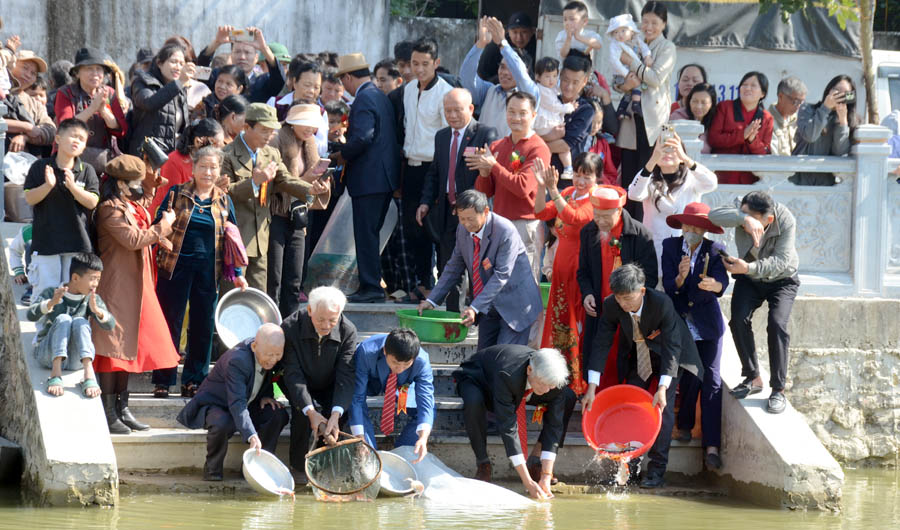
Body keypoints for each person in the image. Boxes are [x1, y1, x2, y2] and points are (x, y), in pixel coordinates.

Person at [581, 263, 703, 488]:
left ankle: (656, 471)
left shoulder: (661, 303)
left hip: (670, 355)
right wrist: (591, 386)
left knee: (661, 409)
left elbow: (672, 347)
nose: (623, 303)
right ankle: (629, 468)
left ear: (642, 291)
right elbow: (601, 343)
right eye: (618, 298)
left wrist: (663, 388)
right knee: (631, 406)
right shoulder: (611, 305)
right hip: (640, 357)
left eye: (628, 298)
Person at [92, 155, 181, 434]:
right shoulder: (108, 209)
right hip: (117, 286)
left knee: (129, 346)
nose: (140, 187)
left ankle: (123, 408)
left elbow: (143, 209)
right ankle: (108, 413)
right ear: (121, 184)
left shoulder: (126, 204)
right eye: (136, 183)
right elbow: (133, 239)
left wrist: (154, 187)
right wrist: (163, 228)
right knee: (113, 350)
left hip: (137, 283)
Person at [152, 146, 249, 399]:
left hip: (209, 270)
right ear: (193, 169)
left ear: (219, 170)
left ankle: (194, 380)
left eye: (213, 167)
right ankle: (163, 378)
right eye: (203, 166)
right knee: (169, 323)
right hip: (175, 268)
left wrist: (238, 272)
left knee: (203, 325)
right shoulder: (176, 194)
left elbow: (233, 238)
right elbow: (156, 228)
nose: (208, 172)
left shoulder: (224, 200)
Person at [709, 191, 799, 415]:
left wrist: (748, 268)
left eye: (751, 216)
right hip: (749, 277)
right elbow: (713, 215)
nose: (743, 216)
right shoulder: (743, 211)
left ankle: (778, 390)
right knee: (738, 319)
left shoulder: (785, 220)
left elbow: (781, 262)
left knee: (777, 324)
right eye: (743, 211)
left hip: (782, 280)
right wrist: (743, 218)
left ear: (768, 219)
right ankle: (752, 377)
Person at [419, 189, 543, 349]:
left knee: (504, 359)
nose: (466, 224)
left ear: (485, 211)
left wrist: (474, 307)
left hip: (515, 305)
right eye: (461, 219)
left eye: (470, 219)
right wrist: (432, 300)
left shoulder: (505, 230)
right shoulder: (462, 230)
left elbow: (501, 275)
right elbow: (453, 267)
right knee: (483, 358)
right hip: (487, 305)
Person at [221, 103, 321, 291]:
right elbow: (225, 193)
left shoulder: (271, 153)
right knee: (233, 295)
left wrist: (309, 189)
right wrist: (253, 183)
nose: (269, 136)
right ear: (247, 128)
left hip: (261, 237)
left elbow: (284, 179)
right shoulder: (227, 154)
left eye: (272, 131)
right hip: (236, 238)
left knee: (259, 295)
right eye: (264, 130)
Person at [416, 88, 498, 312]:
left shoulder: (485, 134)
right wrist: (425, 201)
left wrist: (466, 206)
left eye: (457, 110)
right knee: (449, 266)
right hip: (445, 211)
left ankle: (478, 313)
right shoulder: (442, 136)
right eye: (447, 110)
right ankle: (453, 316)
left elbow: (486, 178)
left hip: (474, 213)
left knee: (478, 266)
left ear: (470, 109)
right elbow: (435, 172)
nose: (451, 115)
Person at [661, 202, 729, 470]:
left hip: (707, 322)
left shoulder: (716, 250)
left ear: (704, 229)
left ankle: (712, 445)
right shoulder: (670, 247)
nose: (690, 230)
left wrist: (716, 285)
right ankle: (685, 425)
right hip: (680, 321)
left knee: (711, 380)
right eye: (686, 224)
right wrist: (681, 277)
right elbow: (669, 287)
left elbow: (722, 282)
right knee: (689, 375)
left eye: (695, 226)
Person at [176, 324, 290, 481]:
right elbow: (237, 403)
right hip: (217, 403)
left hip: (248, 402)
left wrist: (265, 395)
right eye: (269, 355)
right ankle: (212, 470)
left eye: (277, 355)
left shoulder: (270, 353)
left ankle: (259, 467)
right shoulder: (238, 360)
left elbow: (265, 378)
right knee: (222, 422)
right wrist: (251, 435)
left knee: (277, 414)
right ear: (254, 346)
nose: (273, 360)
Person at [454, 345, 569, 498]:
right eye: (543, 384)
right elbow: (508, 427)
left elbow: (555, 425)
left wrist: (545, 476)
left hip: (518, 385)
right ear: (529, 370)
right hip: (479, 379)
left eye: (551, 386)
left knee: (568, 396)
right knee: (474, 401)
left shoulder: (552, 381)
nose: (547, 390)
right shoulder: (508, 374)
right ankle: (483, 463)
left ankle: (536, 461)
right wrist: (527, 481)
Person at [330, 52, 400, 303]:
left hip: (370, 179)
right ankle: (370, 284)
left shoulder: (364, 98)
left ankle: (371, 287)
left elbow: (363, 137)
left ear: (348, 77)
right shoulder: (378, 95)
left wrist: (341, 154)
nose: (343, 86)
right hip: (381, 178)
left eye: (343, 80)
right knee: (369, 232)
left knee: (366, 233)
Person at [576, 186, 657, 391]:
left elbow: (651, 277)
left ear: (619, 211)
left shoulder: (640, 235)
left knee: (628, 364)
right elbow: (583, 272)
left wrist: (630, 301)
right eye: (596, 215)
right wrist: (587, 295)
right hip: (600, 310)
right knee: (599, 358)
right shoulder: (588, 232)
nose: (600, 221)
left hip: (629, 311)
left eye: (605, 216)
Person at [533, 154, 598, 396]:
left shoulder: (594, 198)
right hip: (561, 267)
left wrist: (553, 190)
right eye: (578, 174)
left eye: (587, 176)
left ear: (596, 178)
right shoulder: (569, 192)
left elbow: (574, 217)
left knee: (577, 325)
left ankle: (577, 382)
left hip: (581, 268)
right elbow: (541, 212)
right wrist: (542, 187)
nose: (581, 181)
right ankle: (555, 377)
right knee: (559, 321)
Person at [469, 91, 550, 281]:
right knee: (498, 281)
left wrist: (494, 166)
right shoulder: (497, 146)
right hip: (499, 222)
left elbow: (523, 187)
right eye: (511, 112)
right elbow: (483, 192)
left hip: (525, 223)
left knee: (525, 284)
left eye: (522, 113)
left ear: (533, 115)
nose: (516, 118)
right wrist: (484, 173)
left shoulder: (538, 147)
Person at [281, 287, 358, 476]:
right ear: (309, 311)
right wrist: (310, 410)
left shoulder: (348, 331)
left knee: (341, 411)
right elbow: (292, 373)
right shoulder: (290, 327)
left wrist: (336, 413)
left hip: (330, 383)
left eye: (332, 320)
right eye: (320, 319)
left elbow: (346, 375)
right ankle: (298, 468)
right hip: (300, 382)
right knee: (302, 413)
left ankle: (324, 466)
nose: (326, 325)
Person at [400, 37, 454, 297]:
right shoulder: (409, 88)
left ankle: (435, 283)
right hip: (410, 166)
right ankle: (419, 283)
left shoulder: (445, 93)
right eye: (414, 63)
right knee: (411, 227)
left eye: (424, 64)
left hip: (433, 167)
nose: (419, 69)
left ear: (436, 63)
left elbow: (447, 135)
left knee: (432, 227)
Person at [267, 104, 332, 317]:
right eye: (304, 123)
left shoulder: (310, 143)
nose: (309, 129)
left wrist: (320, 185)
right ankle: (271, 327)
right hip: (276, 213)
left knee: (295, 279)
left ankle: (290, 326)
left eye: (313, 125)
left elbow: (311, 181)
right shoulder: (277, 140)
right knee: (274, 279)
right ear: (292, 121)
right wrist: (307, 186)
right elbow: (279, 180)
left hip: (298, 215)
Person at [23, 119, 99, 299]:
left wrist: (74, 188)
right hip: (46, 243)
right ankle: (45, 327)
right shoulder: (40, 167)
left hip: (77, 244)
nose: (76, 141)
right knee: (45, 295)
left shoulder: (87, 170)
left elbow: (92, 202)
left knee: (72, 296)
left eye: (81, 139)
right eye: (73, 135)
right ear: (57, 138)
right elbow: (29, 198)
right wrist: (47, 186)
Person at [615, 1, 677, 222]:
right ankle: (624, 225)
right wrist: (625, 86)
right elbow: (617, 79)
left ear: (664, 24)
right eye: (645, 21)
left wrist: (632, 62)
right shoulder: (632, 42)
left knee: (646, 176)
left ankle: (643, 228)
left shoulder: (667, 48)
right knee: (628, 177)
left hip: (652, 122)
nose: (648, 27)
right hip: (632, 119)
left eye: (654, 22)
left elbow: (655, 79)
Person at [28, 253, 114, 399]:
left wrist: (97, 312)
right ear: (75, 278)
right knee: (64, 319)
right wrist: (51, 303)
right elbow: (30, 315)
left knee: (80, 321)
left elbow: (110, 325)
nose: (96, 284)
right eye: (92, 279)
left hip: (75, 360)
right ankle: (55, 374)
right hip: (46, 355)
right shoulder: (53, 292)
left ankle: (88, 375)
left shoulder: (92, 299)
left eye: (98, 279)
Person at [627, 133, 717, 272]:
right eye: (662, 148)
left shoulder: (692, 179)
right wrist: (651, 161)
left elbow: (711, 183)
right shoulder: (648, 180)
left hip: (688, 247)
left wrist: (686, 159)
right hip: (656, 248)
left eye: (672, 149)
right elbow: (634, 194)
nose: (667, 153)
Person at [349, 329, 435, 463]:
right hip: (372, 382)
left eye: (406, 364)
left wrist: (423, 438)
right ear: (385, 351)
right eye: (395, 362)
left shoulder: (422, 360)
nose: (400, 368)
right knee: (355, 404)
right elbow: (357, 398)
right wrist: (360, 438)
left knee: (426, 412)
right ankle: (370, 454)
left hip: (403, 386)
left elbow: (426, 399)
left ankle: (402, 454)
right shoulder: (366, 352)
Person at [460, 16, 540, 138]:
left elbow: (520, 73)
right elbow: (466, 76)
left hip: (511, 155)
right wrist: (480, 44)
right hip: (481, 153)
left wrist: (502, 43)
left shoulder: (529, 93)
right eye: (502, 67)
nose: (505, 73)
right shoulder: (488, 90)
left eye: (510, 69)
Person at [53, 47, 128, 172]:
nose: (95, 74)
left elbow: (121, 130)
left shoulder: (109, 93)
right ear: (77, 73)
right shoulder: (65, 93)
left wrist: (104, 111)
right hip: (69, 161)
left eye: (99, 69)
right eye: (89, 69)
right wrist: (93, 108)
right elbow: (64, 126)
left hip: (103, 161)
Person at [790, 74, 857, 186]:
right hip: (799, 177)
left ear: (850, 97)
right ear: (828, 91)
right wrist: (825, 108)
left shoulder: (850, 120)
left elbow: (840, 153)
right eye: (836, 90)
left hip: (826, 183)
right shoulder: (807, 109)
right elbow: (810, 136)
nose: (840, 95)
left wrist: (843, 122)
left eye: (845, 93)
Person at [708, 71, 773, 184]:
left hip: (751, 181)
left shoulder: (767, 118)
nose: (747, 88)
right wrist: (741, 135)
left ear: (762, 94)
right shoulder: (725, 107)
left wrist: (752, 140)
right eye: (744, 84)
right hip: (723, 176)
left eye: (753, 85)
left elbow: (765, 153)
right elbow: (714, 139)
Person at [128, 42, 193, 155]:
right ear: (159, 63)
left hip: (172, 155)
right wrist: (179, 83)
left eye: (182, 63)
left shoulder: (180, 88)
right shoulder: (142, 81)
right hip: (146, 155)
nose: (178, 67)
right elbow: (149, 103)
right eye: (173, 62)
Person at [149, 118, 225, 214]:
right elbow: (173, 200)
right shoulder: (174, 161)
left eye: (221, 147)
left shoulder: (212, 163)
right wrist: (209, 188)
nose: (218, 152)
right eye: (215, 146)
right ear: (198, 141)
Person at [540, 55, 594, 183]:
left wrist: (537, 144)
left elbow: (565, 145)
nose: (569, 86)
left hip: (565, 180)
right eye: (565, 80)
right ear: (560, 76)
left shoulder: (585, 110)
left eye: (575, 82)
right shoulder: (548, 99)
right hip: (539, 172)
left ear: (585, 81)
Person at [197, 25, 285, 104]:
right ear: (231, 54)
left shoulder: (262, 82)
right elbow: (199, 72)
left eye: (247, 52)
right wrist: (216, 42)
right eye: (237, 51)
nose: (242, 57)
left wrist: (264, 48)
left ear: (256, 58)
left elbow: (279, 79)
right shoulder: (219, 76)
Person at [532, 58, 575, 177]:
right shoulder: (541, 89)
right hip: (546, 124)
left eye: (554, 76)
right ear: (538, 77)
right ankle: (568, 168)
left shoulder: (551, 87)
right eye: (547, 76)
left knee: (558, 148)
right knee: (562, 147)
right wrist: (569, 107)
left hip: (549, 124)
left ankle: (565, 169)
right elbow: (554, 106)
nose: (552, 80)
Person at [606, 14, 653, 119]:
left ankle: (621, 111)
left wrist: (647, 56)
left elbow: (644, 48)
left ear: (631, 30)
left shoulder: (637, 41)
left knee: (628, 94)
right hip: (621, 74)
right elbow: (614, 61)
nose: (620, 35)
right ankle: (636, 104)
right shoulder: (615, 45)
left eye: (623, 31)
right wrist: (625, 73)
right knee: (636, 85)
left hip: (632, 71)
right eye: (616, 32)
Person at [477, 11, 537, 81]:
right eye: (515, 32)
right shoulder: (495, 46)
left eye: (524, 32)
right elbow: (481, 73)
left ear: (532, 32)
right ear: (508, 32)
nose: (519, 37)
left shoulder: (538, 47)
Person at [669, 82, 717, 154]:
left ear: (711, 104)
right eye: (695, 101)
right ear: (689, 101)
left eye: (704, 103)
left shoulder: (716, 120)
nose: (698, 106)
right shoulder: (677, 117)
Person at [768, 76, 807, 156]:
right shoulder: (767, 121)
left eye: (801, 102)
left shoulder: (798, 121)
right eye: (795, 101)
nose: (798, 106)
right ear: (780, 96)